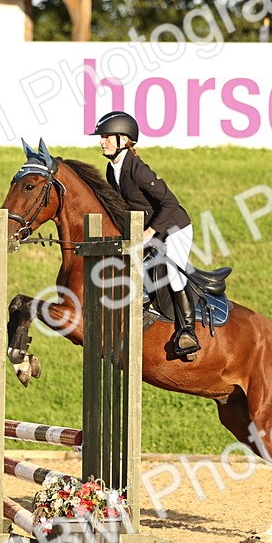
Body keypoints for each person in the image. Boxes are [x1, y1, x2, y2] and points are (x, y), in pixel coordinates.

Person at [91, 110, 200, 359]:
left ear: (123, 139)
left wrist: (149, 232)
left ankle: (188, 332)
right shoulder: (112, 170)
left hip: (174, 227)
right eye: (102, 137)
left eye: (107, 136)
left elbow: (170, 203)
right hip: (149, 231)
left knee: (173, 272)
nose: (102, 141)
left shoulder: (139, 170)